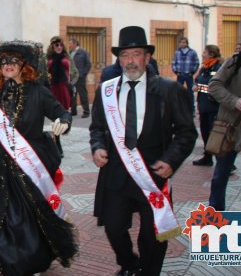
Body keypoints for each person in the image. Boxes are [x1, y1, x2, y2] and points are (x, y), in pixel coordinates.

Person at [0, 40, 78, 275]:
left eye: (13, 61)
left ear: (24, 65)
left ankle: (31, 260)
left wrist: (64, 121)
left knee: (25, 216)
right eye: (4, 62)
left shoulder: (38, 91)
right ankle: (6, 256)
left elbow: (61, 111)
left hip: (30, 159)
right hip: (1, 160)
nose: (8, 65)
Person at [90, 26, 197, 276]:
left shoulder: (169, 90)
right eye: (125, 55)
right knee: (114, 228)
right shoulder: (106, 90)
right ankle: (129, 264)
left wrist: (171, 160)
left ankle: (149, 272)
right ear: (119, 59)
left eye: (136, 54)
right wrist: (97, 147)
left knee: (153, 235)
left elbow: (186, 132)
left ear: (147, 57)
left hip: (153, 175)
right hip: (116, 173)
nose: (130, 61)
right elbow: (96, 128)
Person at [208, 37, 241, 248]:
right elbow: (213, 85)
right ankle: (214, 225)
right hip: (229, 127)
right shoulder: (238, 60)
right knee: (220, 177)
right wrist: (234, 101)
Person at [191, 45, 222, 166]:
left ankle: (225, 163)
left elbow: (214, 85)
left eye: (204, 52)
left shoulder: (218, 67)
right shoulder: (205, 67)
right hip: (203, 105)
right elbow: (197, 80)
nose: (202, 54)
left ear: (211, 54)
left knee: (214, 135)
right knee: (204, 132)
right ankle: (207, 157)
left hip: (213, 107)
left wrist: (198, 87)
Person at [171, 37, 199, 114]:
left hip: (188, 75)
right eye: (181, 42)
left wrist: (192, 71)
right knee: (178, 92)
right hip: (180, 75)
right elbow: (174, 62)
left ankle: (191, 109)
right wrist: (176, 71)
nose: (182, 44)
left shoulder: (192, 52)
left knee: (190, 92)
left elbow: (196, 62)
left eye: (184, 42)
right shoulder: (177, 52)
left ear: (187, 43)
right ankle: (179, 108)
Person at [47, 36, 72, 109]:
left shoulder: (66, 59)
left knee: (64, 110)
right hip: (53, 87)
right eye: (57, 45)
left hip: (64, 87)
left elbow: (72, 72)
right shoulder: (49, 60)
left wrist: (71, 83)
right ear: (52, 47)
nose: (59, 47)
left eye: (61, 45)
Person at [68, 38, 92, 118]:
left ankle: (86, 112)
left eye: (70, 44)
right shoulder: (70, 53)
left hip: (80, 78)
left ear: (75, 44)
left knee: (83, 95)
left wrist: (82, 74)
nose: (69, 45)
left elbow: (88, 64)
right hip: (71, 78)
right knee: (72, 94)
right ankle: (73, 111)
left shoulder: (83, 52)